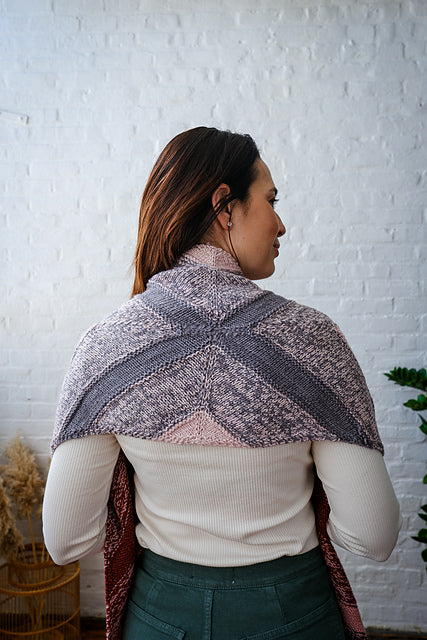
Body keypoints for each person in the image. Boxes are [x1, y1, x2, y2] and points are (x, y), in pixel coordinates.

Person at [43, 126, 401, 640]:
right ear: (224, 206)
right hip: (292, 614)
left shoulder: (107, 344)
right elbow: (372, 535)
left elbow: (65, 540)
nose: (281, 223)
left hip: (159, 616)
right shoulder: (311, 339)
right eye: (271, 200)